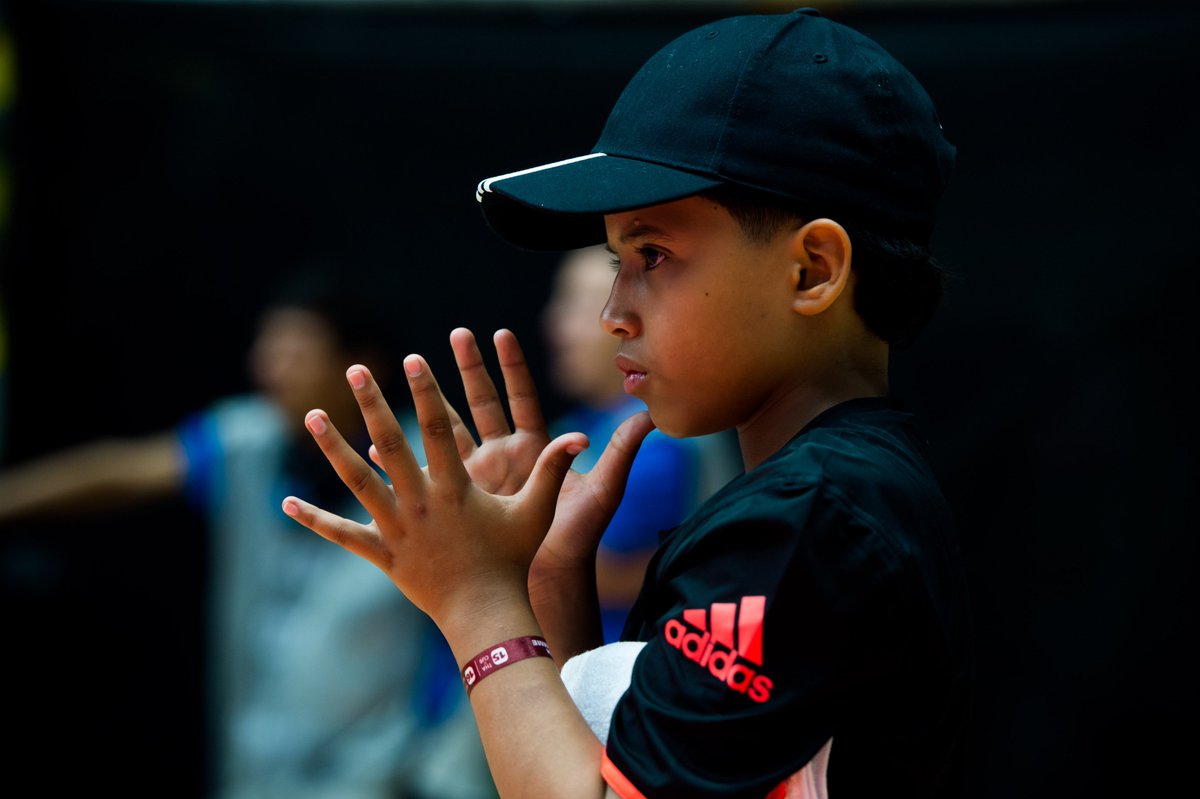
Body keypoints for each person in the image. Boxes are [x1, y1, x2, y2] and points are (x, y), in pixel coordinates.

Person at [283, 8, 971, 799]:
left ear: (812, 270)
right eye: (617, 259)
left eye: (653, 254)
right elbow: (616, 768)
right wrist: (547, 579)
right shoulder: (838, 495)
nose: (615, 307)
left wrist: (476, 599)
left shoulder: (809, 514)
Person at [0, 268, 496, 799]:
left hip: (382, 777)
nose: (270, 366)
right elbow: (121, 469)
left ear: (358, 364)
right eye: (268, 346)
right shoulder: (248, 443)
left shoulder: (428, 469)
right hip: (258, 773)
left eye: (296, 351)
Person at [542, 244, 741, 644]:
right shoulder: (576, 425)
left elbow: (588, 571)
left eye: (579, 307)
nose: (555, 326)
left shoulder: (666, 442)